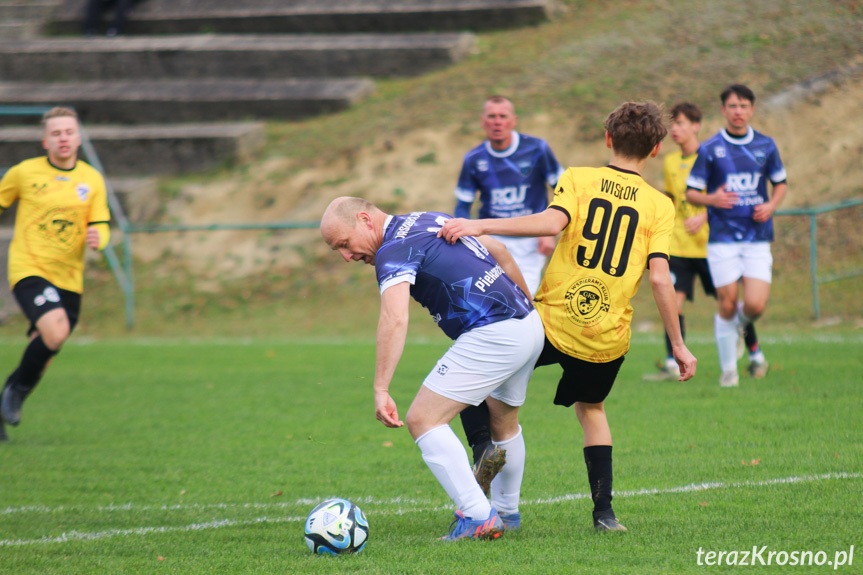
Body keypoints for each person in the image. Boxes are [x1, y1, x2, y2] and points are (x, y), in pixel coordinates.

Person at [440, 101, 698, 532]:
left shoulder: (579, 178)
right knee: (592, 410)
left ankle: (485, 449)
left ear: (608, 138)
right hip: (605, 335)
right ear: (656, 149)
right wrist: (678, 344)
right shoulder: (660, 205)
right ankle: (605, 514)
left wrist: (481, 225)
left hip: (551, 324)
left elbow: (549, 222)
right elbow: (659, 280)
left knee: (481, 384)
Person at [320, 197, 545, 540]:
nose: (347, 256)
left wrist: (381, 389)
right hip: (527, 324)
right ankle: (506, 512)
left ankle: (477, 516)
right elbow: (498, 249)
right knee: (503, 420)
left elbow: (394, 318)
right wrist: (529, 308)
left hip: (493, 333)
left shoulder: (392, 250)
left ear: (365, 220)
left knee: (423, 419)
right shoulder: (429, 218)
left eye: (345, 244)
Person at [453, 95, 564, 485]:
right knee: (488, 320)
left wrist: (555, 230)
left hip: (530, 246)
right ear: (483, 122)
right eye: (491, 117)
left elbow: (563, 188)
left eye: (503, 116)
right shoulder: (474, 160)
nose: (497, 122)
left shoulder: (537, 149)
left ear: (514, 119)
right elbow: (462, 208)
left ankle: (506, 378)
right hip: (489, 244)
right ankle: (498, 378)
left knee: (522, 314)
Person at [0, 107, 111, 443]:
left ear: (78, 138)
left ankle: (5, 401)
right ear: (45, 139)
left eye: (69, 132)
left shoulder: (91, 179)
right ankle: (16, 394)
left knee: (47, 346)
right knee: (57, 329)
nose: (63, 138)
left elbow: (101, 223)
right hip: (29, 269)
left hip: (69, 279)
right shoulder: (24, 173)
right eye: (56, 133)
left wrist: (99, 239)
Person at [685, 84, 787, 388]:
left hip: (757, 237)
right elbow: (691, 192)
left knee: (755, 306)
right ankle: (728, 371)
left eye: (744, 105)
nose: (738, 111)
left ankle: (738, 329)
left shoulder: (766, 145)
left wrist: (771, 204)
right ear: (723, 110)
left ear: (752, 109)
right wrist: (712, 200)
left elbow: (780, 183)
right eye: (732, 106)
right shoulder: (710, 148)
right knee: (727, 305)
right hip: (722, 238)